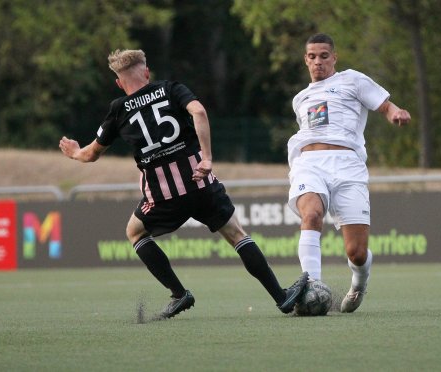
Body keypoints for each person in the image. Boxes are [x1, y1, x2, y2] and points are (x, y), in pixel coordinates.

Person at [59, 49, 308, 319]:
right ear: (146, 72)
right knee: (236, 234)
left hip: (163, 195)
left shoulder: (118, 109)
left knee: (135, 232)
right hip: (200, 182)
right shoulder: (170, 89)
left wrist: (73, 151)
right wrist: (208, 157)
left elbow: (91, 154)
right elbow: (199, 111)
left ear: (119, 83)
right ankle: (281, 297)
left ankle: (179, 294)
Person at [287, 33, 411, 313]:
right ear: (306, 60)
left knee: (356, 252)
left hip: (347, 165)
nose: (318, 61)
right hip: (310, 162)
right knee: (311, 215)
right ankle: (311, 288)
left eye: (324, 56)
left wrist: (395, 112)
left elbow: (384, 104)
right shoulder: (300, 99)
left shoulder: (352, 80)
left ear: (334, 57)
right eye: (312, 56)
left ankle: (359, 282)